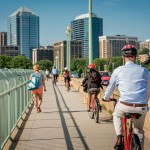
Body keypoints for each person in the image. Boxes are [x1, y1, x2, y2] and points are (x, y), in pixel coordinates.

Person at [102, 45, 150, 150]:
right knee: (139, 131)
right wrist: (143, 101)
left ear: (123, 57)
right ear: (135, 57)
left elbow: (110, 88)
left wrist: (105, 97)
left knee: (116, 115)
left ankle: (119, 137)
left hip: (125, 105)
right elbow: (148, 90)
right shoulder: (145, 71)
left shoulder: (118, 70)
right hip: (141, 106)